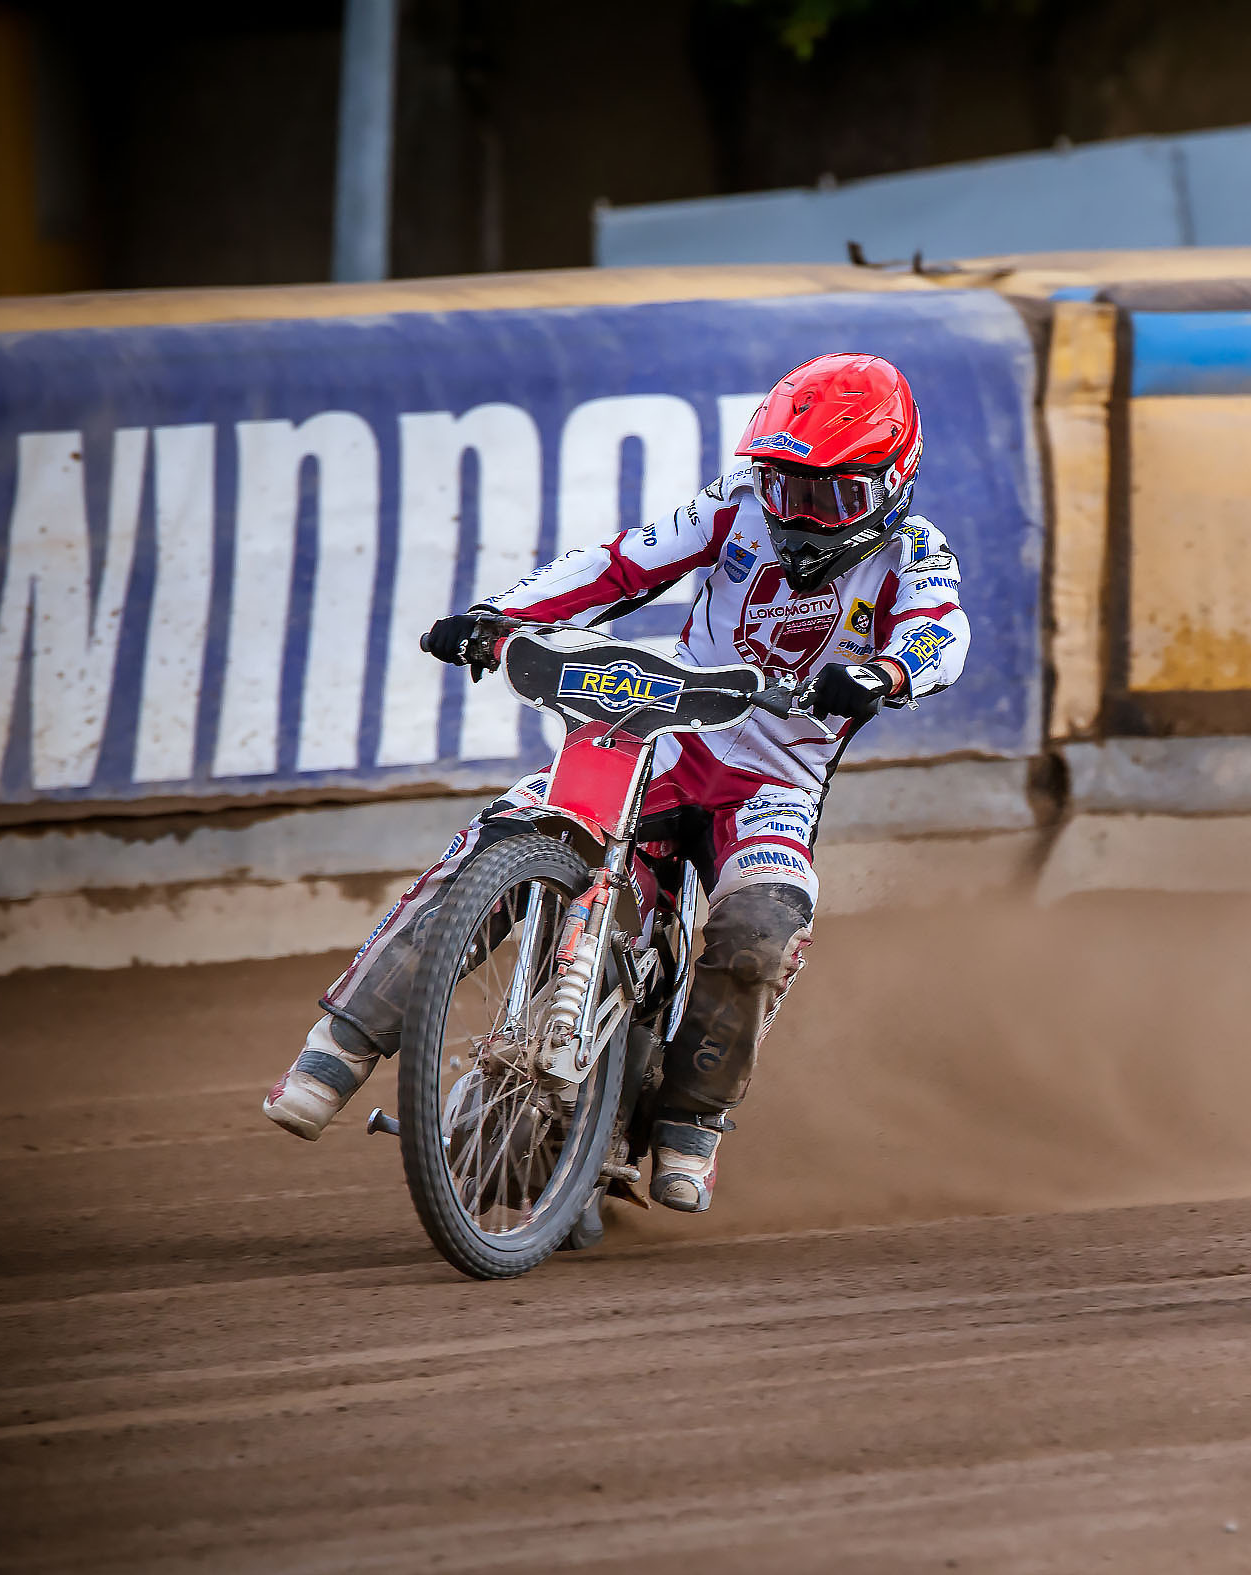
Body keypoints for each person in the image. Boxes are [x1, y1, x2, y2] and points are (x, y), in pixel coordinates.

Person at [265, 353, 970, 1227]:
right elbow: (620, 565)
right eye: (784, 485)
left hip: (771, 785)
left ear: (892, 481)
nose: (797, 516)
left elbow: (943, 631)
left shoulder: (916, 554)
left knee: (759, 928)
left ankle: (691, 1123)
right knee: (511, 829)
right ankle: (335, 1049)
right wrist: (503, 616)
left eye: (829, 498)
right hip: (667, 734)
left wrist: (889, 673)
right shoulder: (733, 503)